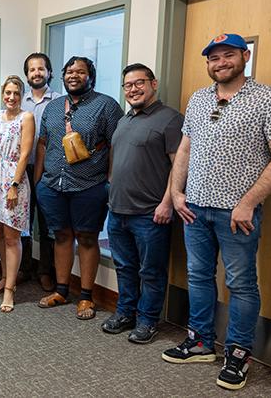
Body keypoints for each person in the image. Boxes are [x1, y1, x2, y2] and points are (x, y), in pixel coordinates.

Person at [162, 33, 271, 390]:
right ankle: (201, 341)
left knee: (240, 283)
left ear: (244, 56)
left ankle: (238, 352)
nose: (220, 62)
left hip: (238, 214)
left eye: (227, 55)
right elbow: (185, 150)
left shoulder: (269, 98)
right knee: (199, 276)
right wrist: (177, 193)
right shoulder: (198, 99)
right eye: (213, 58)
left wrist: (248, 202)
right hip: (194, 209)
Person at [35, 56, 123, 320]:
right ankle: (62, 291)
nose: (74, 75)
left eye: (80, 71)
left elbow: (117, 144)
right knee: (61, 235)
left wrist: (109, 179)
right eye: (70, 71)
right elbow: (43, 143)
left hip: (90, 185)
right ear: (62, 76)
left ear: (90, 76)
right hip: (53, 184)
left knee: (86, 237)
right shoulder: (52, 107)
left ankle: (86, 296)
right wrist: (38, 181)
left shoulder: (106, 106)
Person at [102, 63, 183, 344]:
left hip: (151, 214)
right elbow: (116, 162)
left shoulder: (170, 119)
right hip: (118, 210)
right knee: (124, 266)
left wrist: (167, 203)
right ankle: (125, 313)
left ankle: (147, 320)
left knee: (150, 271)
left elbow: (179, 166)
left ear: (153, 84)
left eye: (139, 83)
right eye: (128, 85)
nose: (133, 89)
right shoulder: (125, 121)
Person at [0, 75, 35, 313]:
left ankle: (10, 290)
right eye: (8, 93)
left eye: (16, 93)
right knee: (1, 235)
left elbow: (25, 154)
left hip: (13, 180)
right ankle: (5, 277)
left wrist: (14, 185)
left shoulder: (27, 117)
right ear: (2, 93)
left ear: (21, 95)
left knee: (13, 237)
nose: (11, 97)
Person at [19, 53, 56, 291]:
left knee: (46, 224)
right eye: (32, 70)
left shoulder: (60, 101)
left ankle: (45, 271)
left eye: (41, 69)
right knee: (22, 221)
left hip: (48, 171)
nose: (36, 73)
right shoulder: (18, 101)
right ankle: (23, 268)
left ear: (49, 72)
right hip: (22, 170)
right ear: (27, 75)